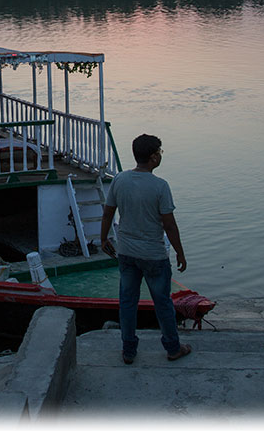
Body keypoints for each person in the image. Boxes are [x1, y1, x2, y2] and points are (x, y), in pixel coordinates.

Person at [100, 134, 192, 365]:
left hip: (127, 252)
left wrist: (103, 238)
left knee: (128, 301)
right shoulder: (160, 186)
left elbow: (108, 212)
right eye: (159, 152)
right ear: (152, 158)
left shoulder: (119, 180)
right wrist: (180, 251)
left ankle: (129, 350)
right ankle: (172, 347)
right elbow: (169, 224)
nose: (161, 155)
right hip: (153, 255)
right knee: (163, 303)